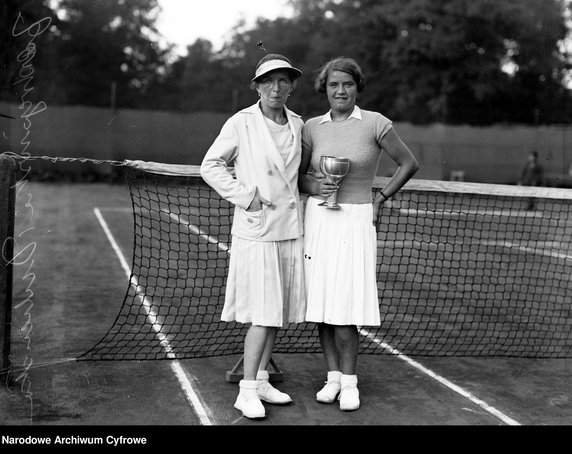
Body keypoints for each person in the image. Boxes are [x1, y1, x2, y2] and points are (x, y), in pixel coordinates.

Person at [298, 57, 419, 411]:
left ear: (357, 87)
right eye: (334, 85)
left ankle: (350, 383)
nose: (340, 91)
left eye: (347, 84)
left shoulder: (376, 123)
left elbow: (409, 163)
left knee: (347, 304)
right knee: (321, 303)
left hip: (356, 220)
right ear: (325, 89)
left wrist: (380, 199)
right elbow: (301, 176)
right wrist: (317, 188)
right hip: (319, 219)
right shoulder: (311, 127)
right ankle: (332, 378)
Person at [200, 54, 305, 419]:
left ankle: (261, 379)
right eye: (268, 82)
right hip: (257, 228)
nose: (276, 88)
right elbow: (210, 165)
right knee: (263, 311)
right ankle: (246, 391)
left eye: (283, 81)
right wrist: (247, 197)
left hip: (290, 230)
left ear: (291, 86)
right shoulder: (241, 122)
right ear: (257, 86)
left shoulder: (298, 123)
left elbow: (297, 176)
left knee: (276, 311)